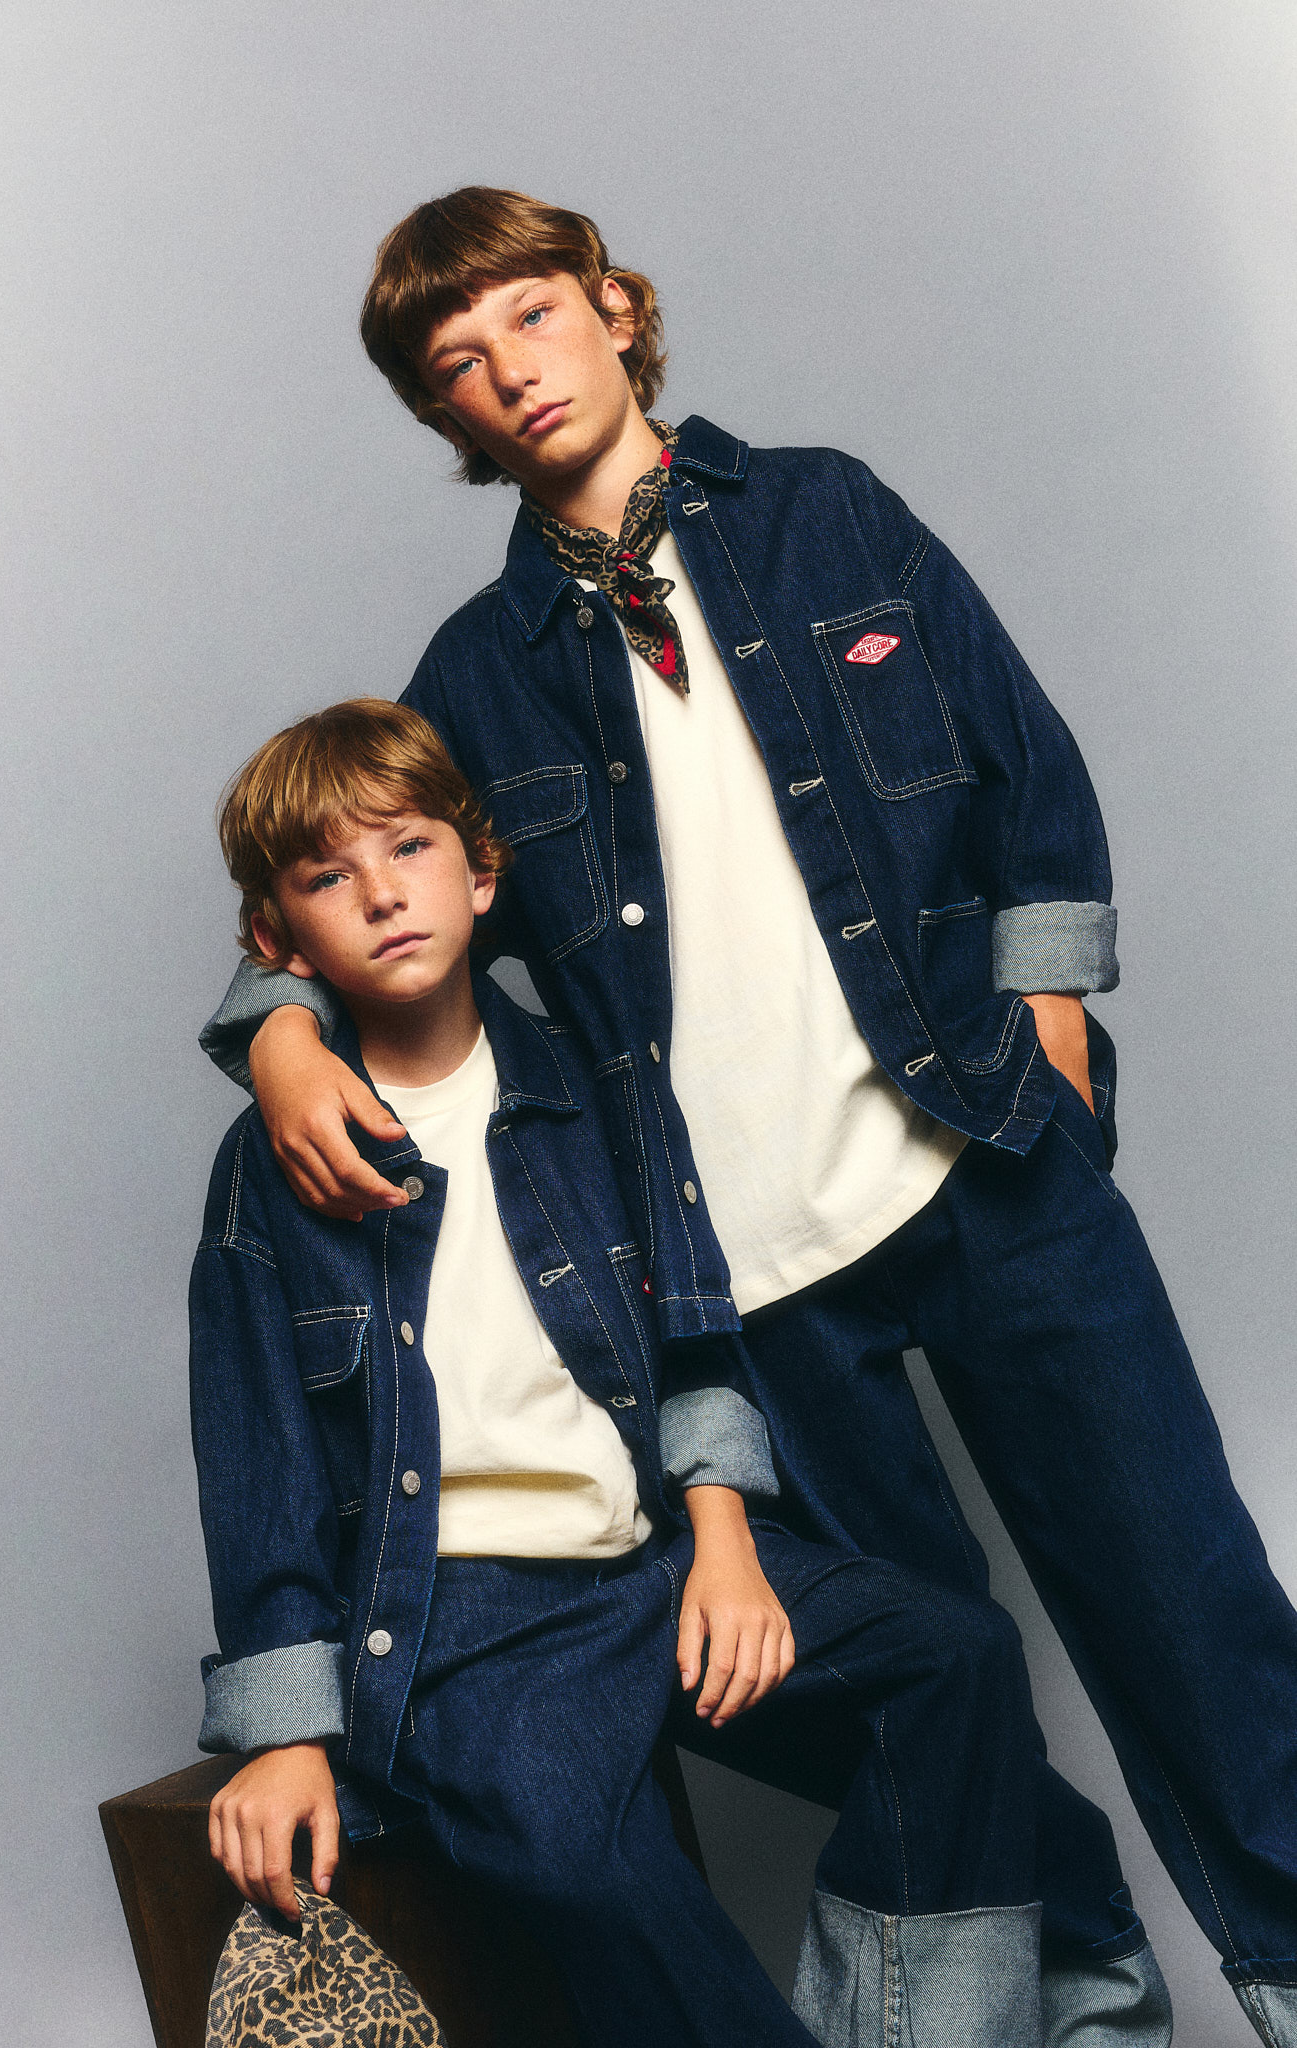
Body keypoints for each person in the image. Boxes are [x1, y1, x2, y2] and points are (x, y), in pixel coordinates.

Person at [194, 184, 1290, 2046]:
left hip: (984, 1159)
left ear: (615, 309)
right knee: (943, 1679)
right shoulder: (474, 676)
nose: (508, 371)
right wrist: (277, 1035)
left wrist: (1048, 1021)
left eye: (531, 316)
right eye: (455, 362)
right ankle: (1082, 2003)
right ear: (439, 417)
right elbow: (376, 883)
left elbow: (1022, 763)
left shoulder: (826, 513)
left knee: (1191, 1601)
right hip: (753, 1275)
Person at [191, 697, 1060, 2048]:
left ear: (482, 872)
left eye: (409, 849)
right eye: (326, 877)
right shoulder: (273, 1165)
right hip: (465, 1620)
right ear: (276, 940)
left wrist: (725, 1542)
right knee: (576, 1856)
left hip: (650, 1565)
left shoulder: (594, 1090)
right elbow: (258, 1462)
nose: (382, 895)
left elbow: (694, 1335)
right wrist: (281, 1730)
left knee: (954, 1661)